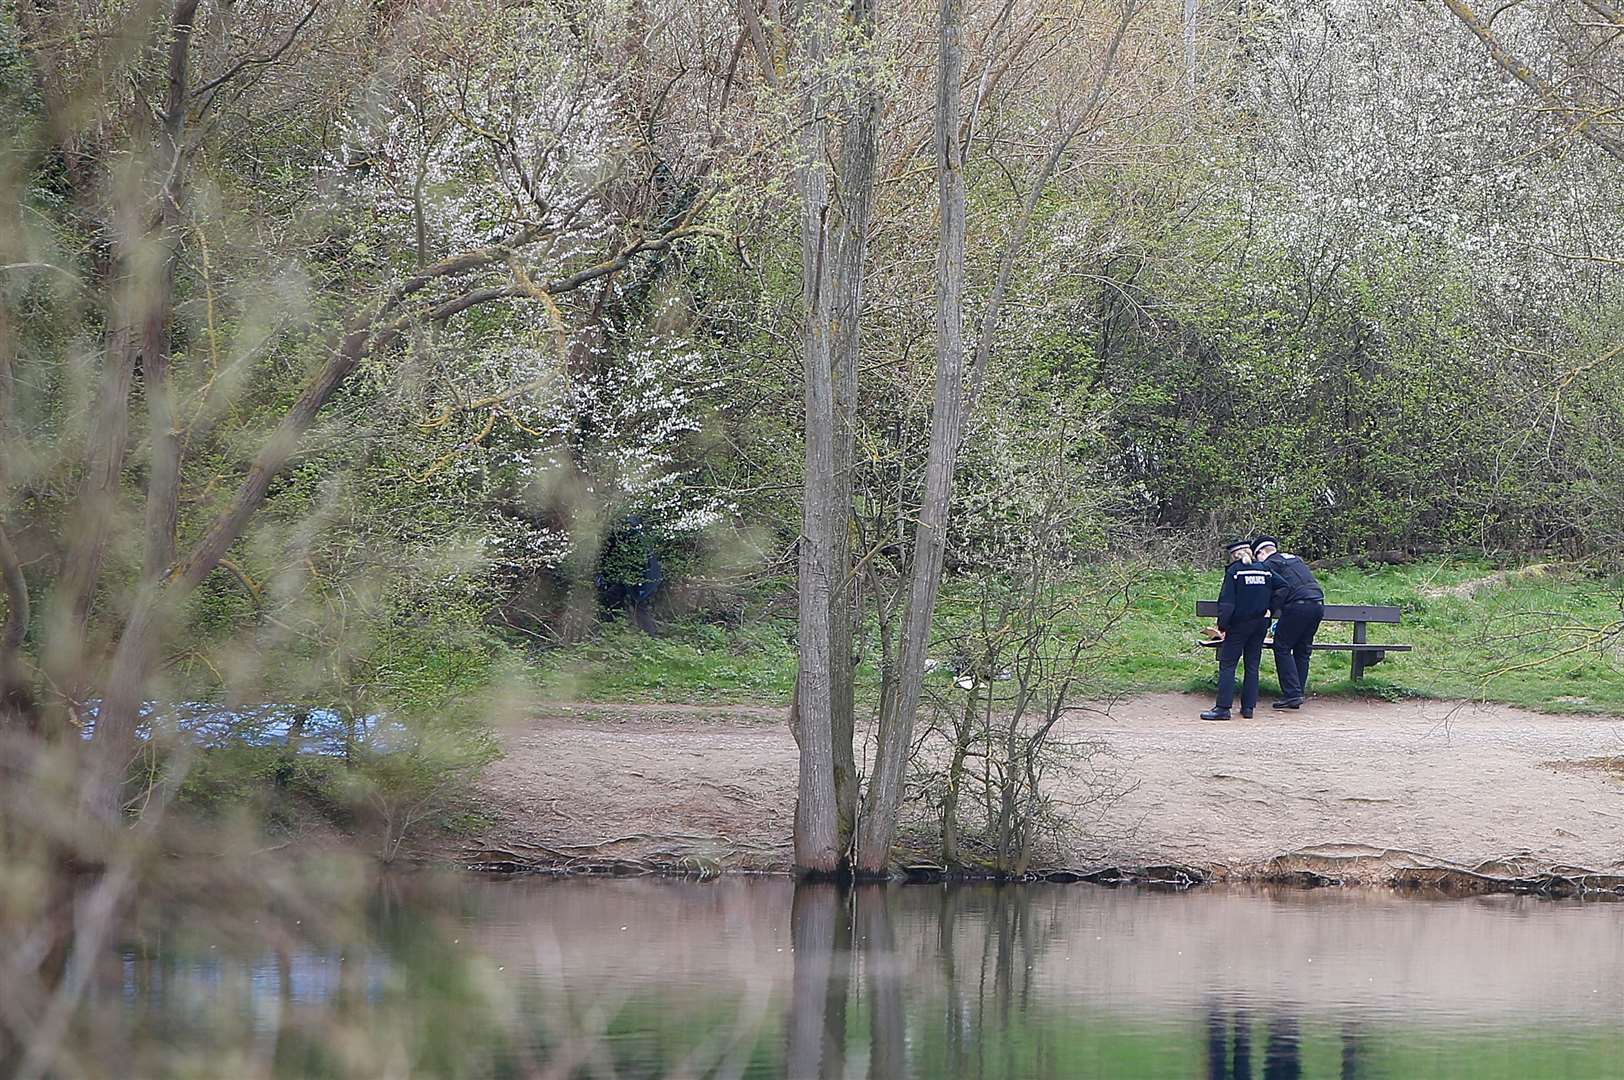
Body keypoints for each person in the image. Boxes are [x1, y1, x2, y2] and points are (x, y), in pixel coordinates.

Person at [1201, 539, 1276, 721]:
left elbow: (1227, 602)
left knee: (1228, 665)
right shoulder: (1265, 570)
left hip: (1239, 625)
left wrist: (1222, 626)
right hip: (1259, 624)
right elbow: (1284, 587)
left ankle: (1223, 708)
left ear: (1234, 556)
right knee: (1252, 666)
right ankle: (1248, 708)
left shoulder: (1234, 572)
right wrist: (1270, 608)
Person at [1252, 534, 1324, 709]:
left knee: (1282, 647)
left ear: (1261, 552)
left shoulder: (1268, 564)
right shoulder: (1295, 559)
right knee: (1302, 650)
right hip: (1318, 603)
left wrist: (1268, 611)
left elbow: (1279, 590)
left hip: (1297, 606)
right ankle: (1297, 692)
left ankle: (1292, 694)